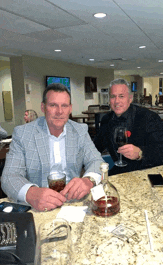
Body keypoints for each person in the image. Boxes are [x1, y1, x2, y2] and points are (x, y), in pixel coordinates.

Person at [2, 83, 103, 211]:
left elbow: (97, 161)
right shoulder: (23, 134)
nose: (59, 111)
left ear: (70, 108)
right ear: (43, 107)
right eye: (53, 105)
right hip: (39, 205)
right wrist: (31, 193)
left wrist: (88, 181)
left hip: (73, 204)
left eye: (64, 106)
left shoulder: (80, 131)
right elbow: (9, 176)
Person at [94, 78, 163, 176]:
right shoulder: (106, 119)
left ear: (130, 98)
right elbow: (96, 146)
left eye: (121, 96)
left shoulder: (148, 117)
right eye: (113, 96)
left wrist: (140, 153)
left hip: (147, 172)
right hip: (120, 173)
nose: (116, 101)